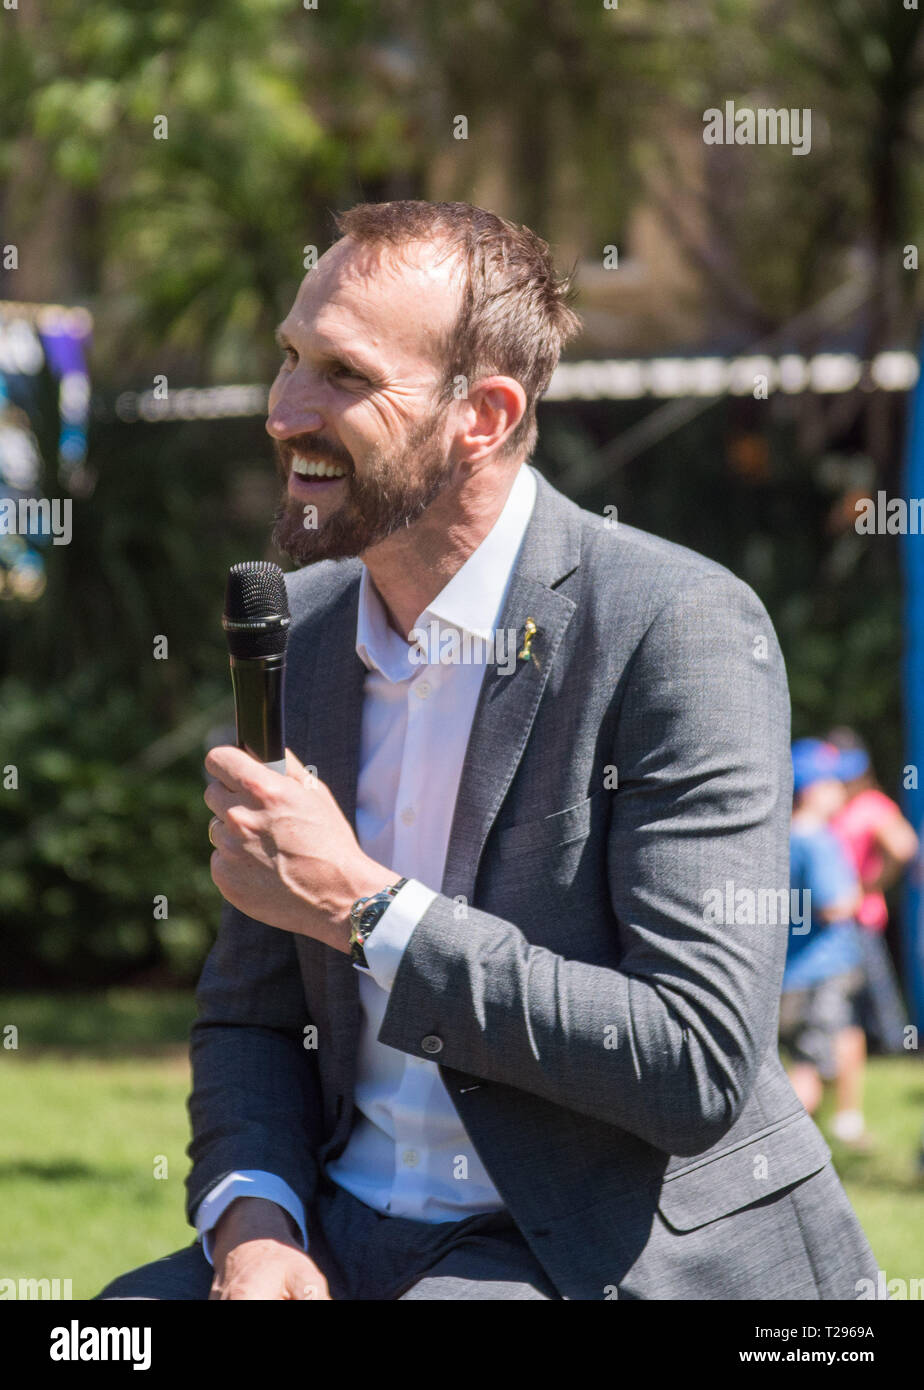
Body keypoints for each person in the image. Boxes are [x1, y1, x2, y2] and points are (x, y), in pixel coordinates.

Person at [96, 200, 877, 1301]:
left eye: (343, 375)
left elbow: (694, 1056)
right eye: (288, 356)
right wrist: (256, 1219)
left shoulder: (680, 626)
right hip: (333, 1225)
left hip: (577, 1244)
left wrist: (365, 908)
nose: (283, 411)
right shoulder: (304, 633)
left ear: (485, 413)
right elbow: (252, 1010)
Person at [781, 739, 869, 1147]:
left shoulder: (780, 834)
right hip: (822, 971)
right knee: (809, 1067)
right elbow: (834, 905)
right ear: (813, 790)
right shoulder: (817, 838)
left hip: (788, 973)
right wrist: (857, 894)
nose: (841, 790)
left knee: (807, 1055)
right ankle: (784, 1144)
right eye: (834, 782)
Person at [827, 726, 918, 1062]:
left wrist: (869, 885)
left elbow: (904, 847)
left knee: (877, 993)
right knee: (845, 997)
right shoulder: (838, 808)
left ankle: (896, 1048)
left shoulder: (871, 805)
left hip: (861, 918)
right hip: (836, 919)